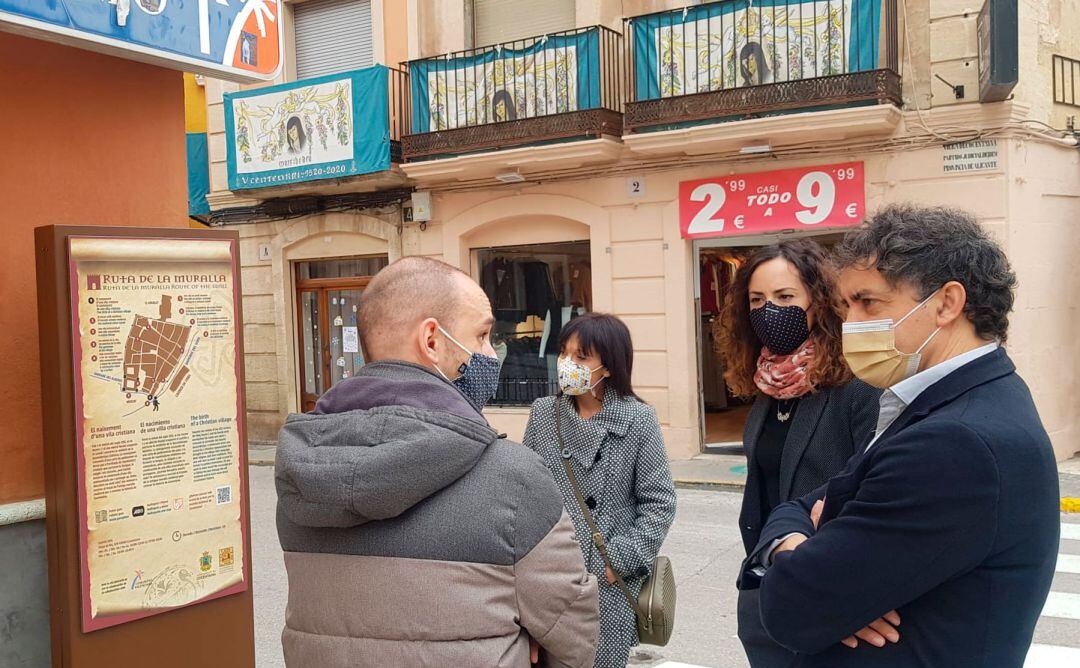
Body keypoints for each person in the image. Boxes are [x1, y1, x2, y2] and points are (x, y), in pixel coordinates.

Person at [737, 205, 1059, 667]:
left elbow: (793, 605)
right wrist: (799, 543)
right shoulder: (955, 400)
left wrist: (803, 558)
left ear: (947, 303)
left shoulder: (954, 440)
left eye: (868, 302)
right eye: (847, 304)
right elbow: (795, 506)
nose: (850, 322)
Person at [275, 257, 599, 667]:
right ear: (432, 340)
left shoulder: (305, 469)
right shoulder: (514, 478)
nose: (490, 353)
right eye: (482, 335)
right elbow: (572, 636)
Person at [714, 240, 880, 667]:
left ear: (818, 302)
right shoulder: (768, 384)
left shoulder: (857, 387)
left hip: (830, 593)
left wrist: (855, 593)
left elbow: (872, 492)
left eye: (785, 297)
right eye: (757, 300)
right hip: (766, 589)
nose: (769, 310)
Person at [523, 313, 677, 668]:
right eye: (564, 353)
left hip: (605, 585)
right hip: (550, 577)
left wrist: (618, 561)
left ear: (608, 367)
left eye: (581, 357)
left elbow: (659, 502)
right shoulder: (545, 413)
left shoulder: (638, 419)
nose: (567, 364)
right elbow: (526, 493)